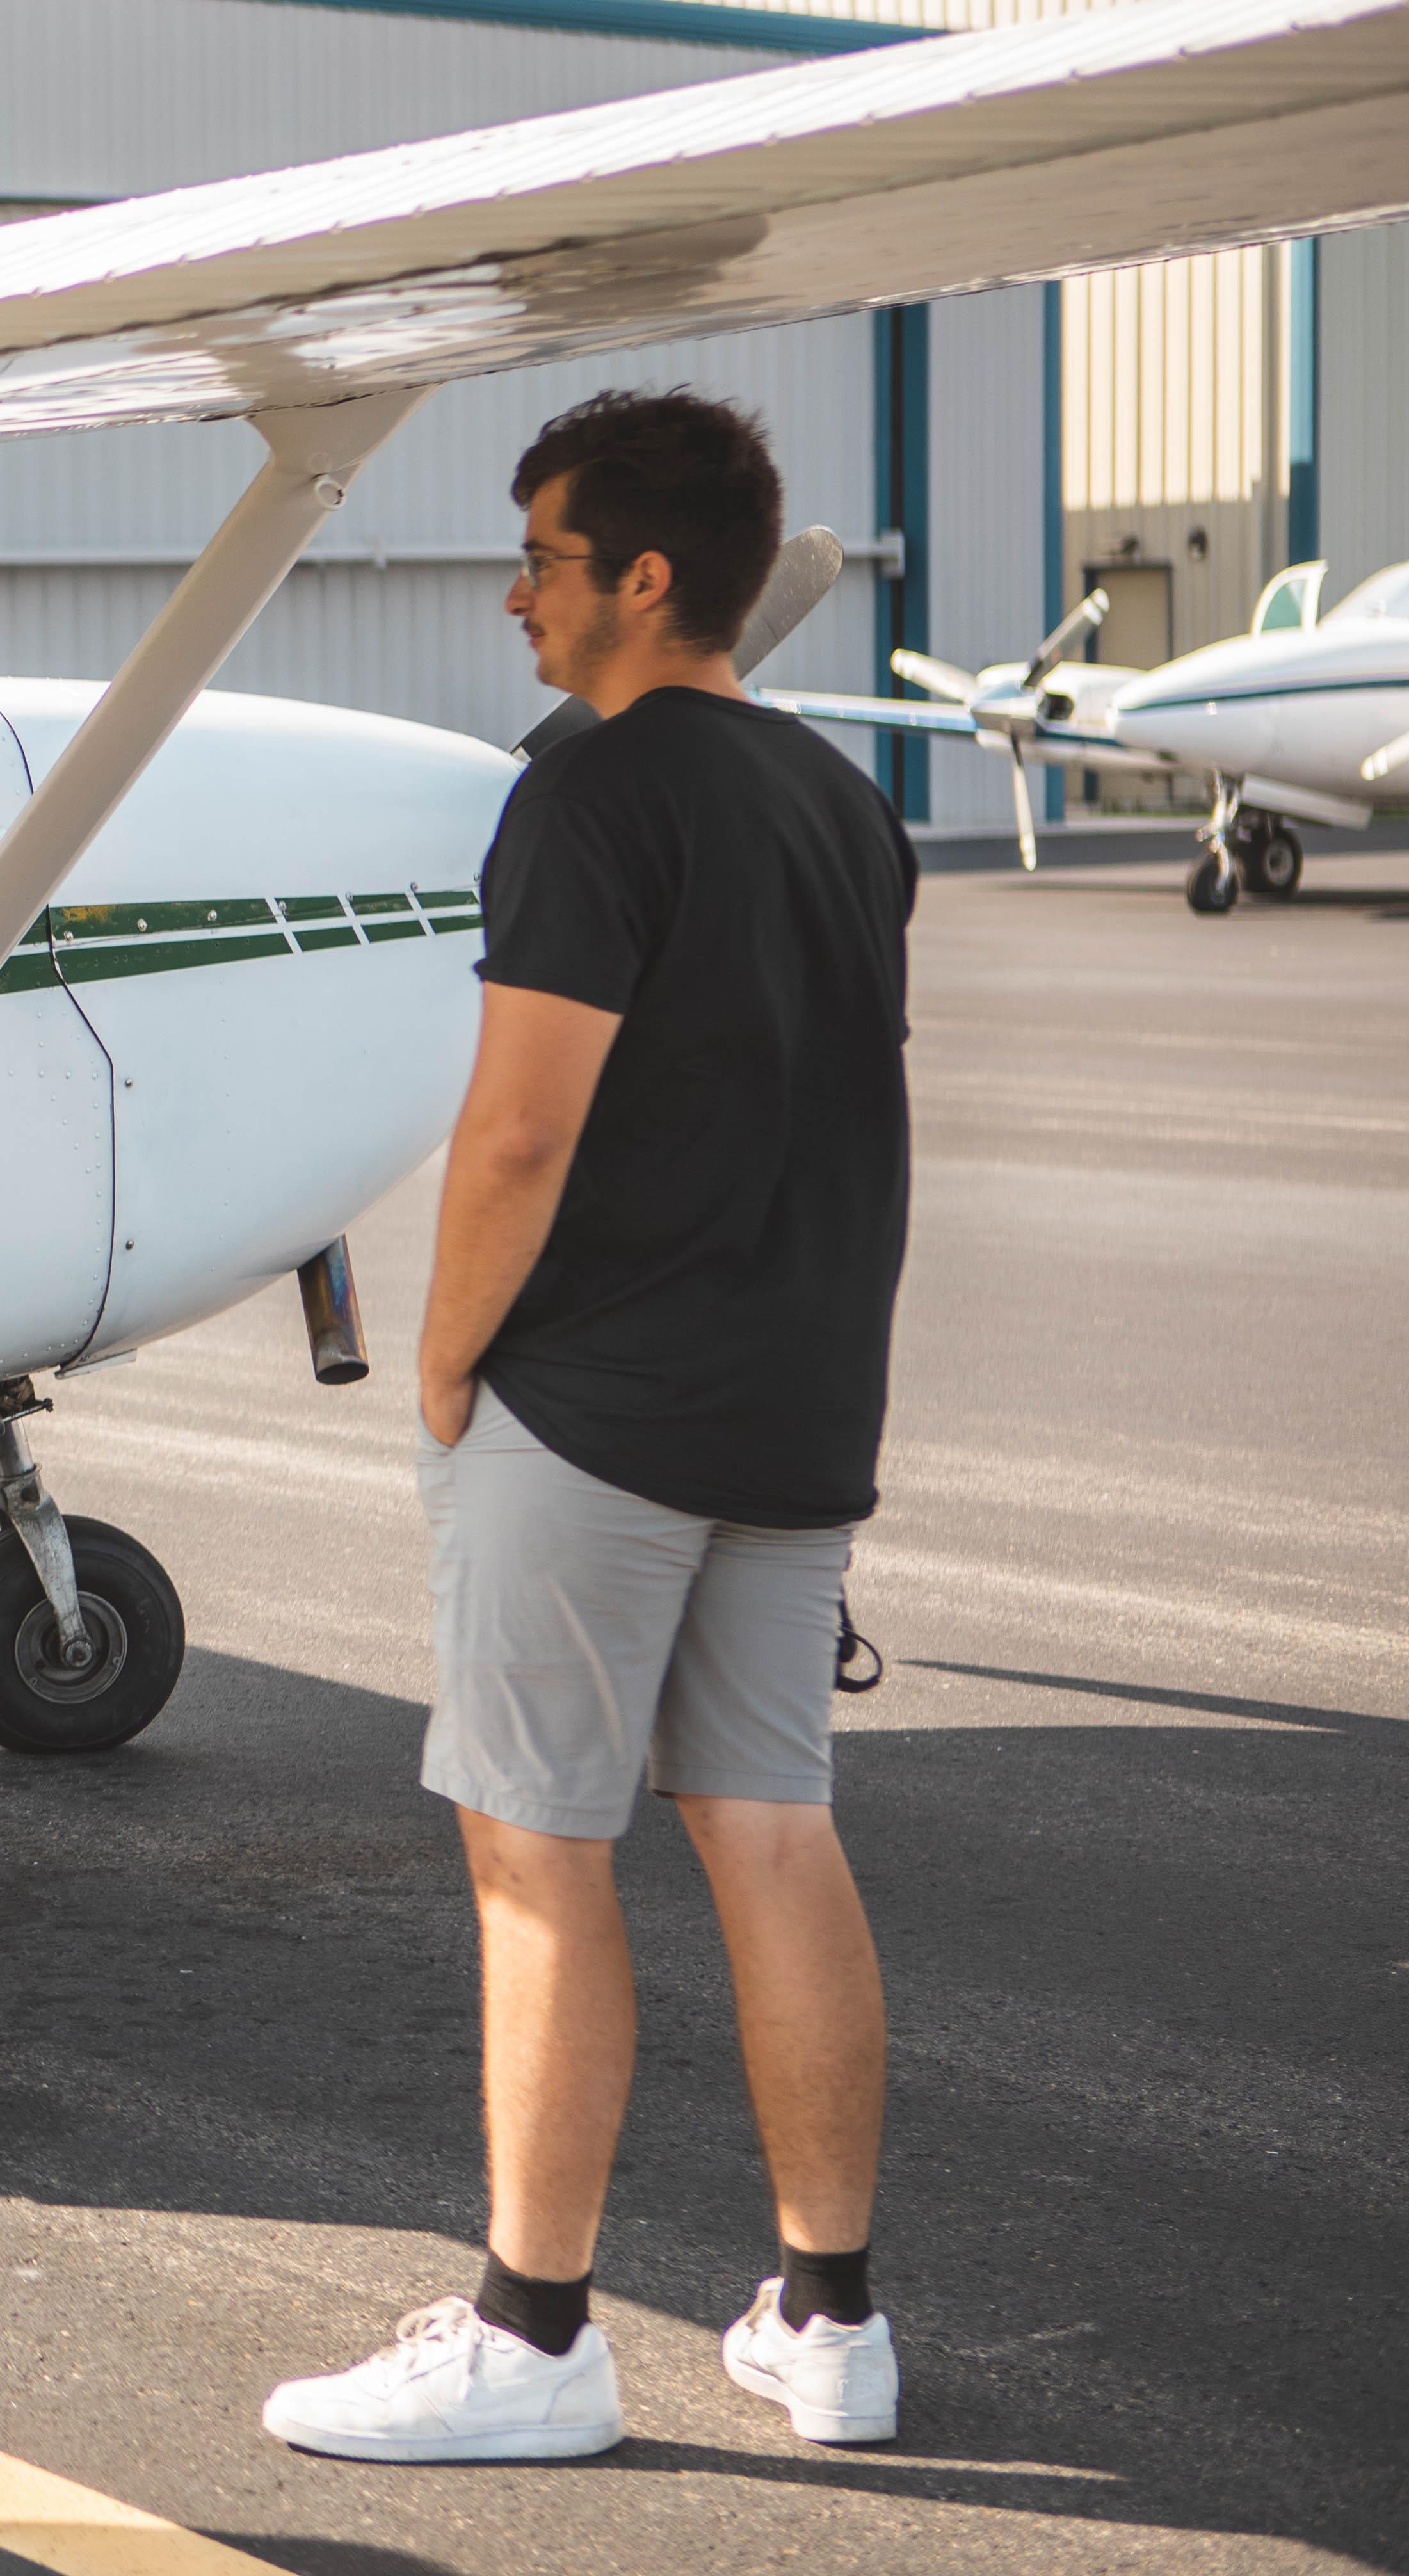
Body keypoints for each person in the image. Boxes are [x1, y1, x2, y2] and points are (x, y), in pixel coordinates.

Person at [263, 390, 915, 2463]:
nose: (518, 592)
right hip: (796, 1409)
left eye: (544, 556)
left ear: (645, 579)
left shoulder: (588, 801)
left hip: (603, 1409)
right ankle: (833, 2328)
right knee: (775, 1832)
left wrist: (448, 1362)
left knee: (537, 1863)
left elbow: (521, 1126)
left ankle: (537, 2337)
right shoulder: (844, 807)